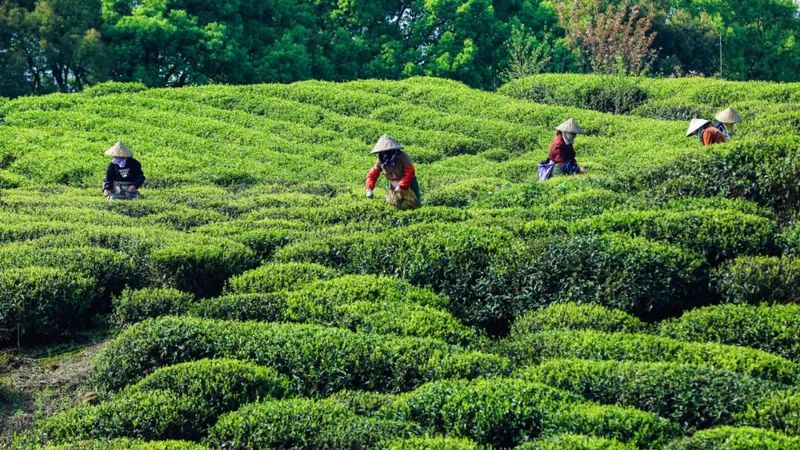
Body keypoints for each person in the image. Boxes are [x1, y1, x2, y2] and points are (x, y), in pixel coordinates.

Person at [365, 134, 420, 209]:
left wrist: (400, 186)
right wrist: (369, 189)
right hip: (393, 186)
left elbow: (410, 173)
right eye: (382, 151)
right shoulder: (381, 160)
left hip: (408, 185)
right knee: (393, 205)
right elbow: (372, 175)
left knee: (410, 205)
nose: (384, 153)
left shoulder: (402, 156)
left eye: (386, 151)